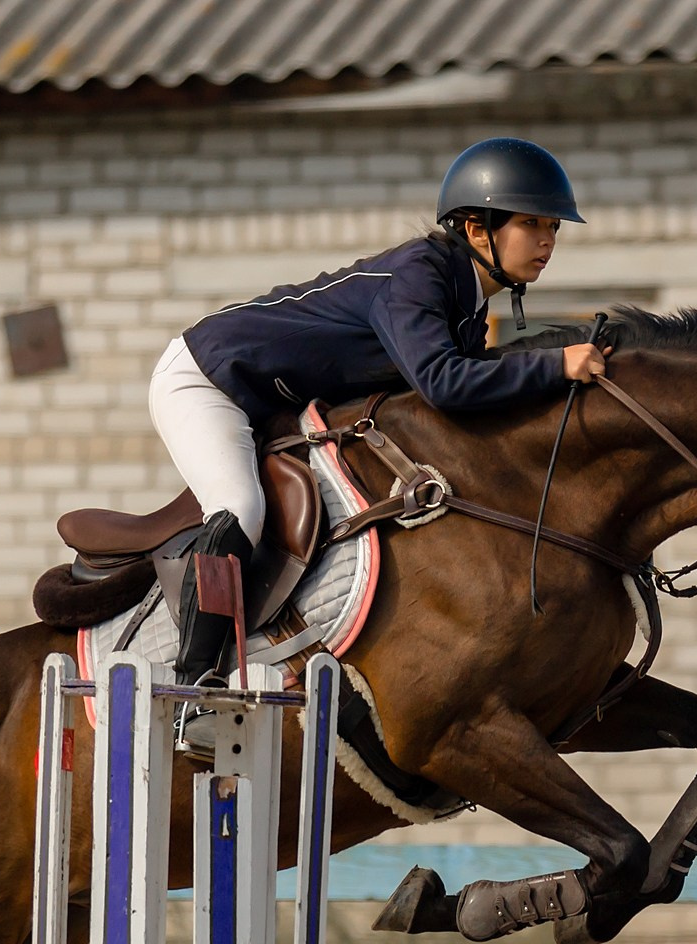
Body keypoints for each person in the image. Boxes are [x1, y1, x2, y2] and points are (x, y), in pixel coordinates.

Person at [149, 137, 608, 683]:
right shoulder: (419, 274)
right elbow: (444, 384)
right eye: (533, 223)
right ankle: (194, 684)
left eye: (553, 228)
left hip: (275, 402)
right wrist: (556, 365)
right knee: (240, 508)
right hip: (208, 379)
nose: (547, 241)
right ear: (477, 228)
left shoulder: (468, 298)